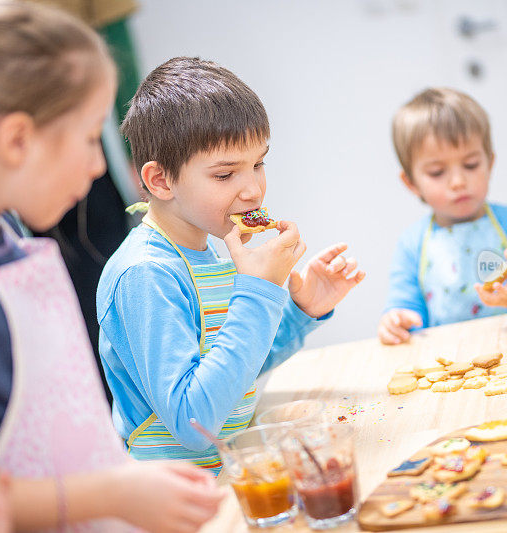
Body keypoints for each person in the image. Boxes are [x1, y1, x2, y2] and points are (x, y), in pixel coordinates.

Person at [0, 2, 222, 531]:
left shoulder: (3, 237)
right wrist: (110, 493)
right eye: (91, 136)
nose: (99, 165)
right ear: (16, 139)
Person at [97, 57, 366, 471]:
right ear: (161, 181)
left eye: (258, 164)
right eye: (225, 175)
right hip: (184, 498)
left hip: (233, 473)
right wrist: (258, 292)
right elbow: (194, 419)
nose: (253, 190)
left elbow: (231, 373)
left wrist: (298, 312)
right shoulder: (146, 274)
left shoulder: (205, 251)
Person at [378, 88, 507, 345]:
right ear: (411, 182)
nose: (458, 181)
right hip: (451, 366)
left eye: (470, 165)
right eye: (437, 172)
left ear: (490, 163)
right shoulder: (411, 244)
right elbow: (404, 307)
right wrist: (395, 321)